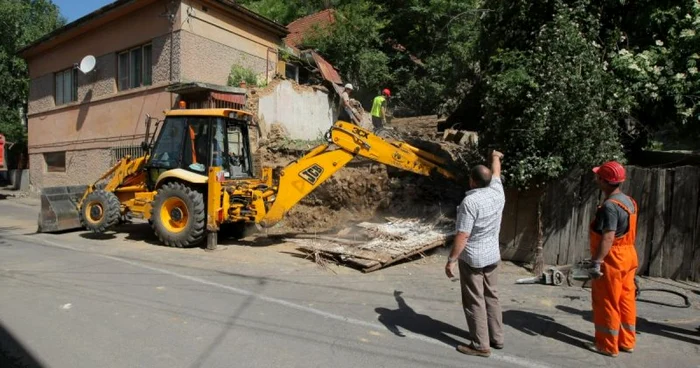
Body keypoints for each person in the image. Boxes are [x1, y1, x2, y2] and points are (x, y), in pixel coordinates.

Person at [445, 149, 506, 358]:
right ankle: (497, 338)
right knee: (492, 296)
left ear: (472, 181)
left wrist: (451, 260)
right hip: (492, 255)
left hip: (473, 258)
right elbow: (496, 174)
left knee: (474, 301)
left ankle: (481, 345)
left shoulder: (469, 203)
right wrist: (496, 157)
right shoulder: (497, 191)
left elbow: (463, 235)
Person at [586, 161, 638, 358]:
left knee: (607, 301)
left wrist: (597, 261)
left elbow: (608, 237)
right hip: (629, 256)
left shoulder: (609, 207)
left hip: (613, 259)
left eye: (598, 176)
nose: (596, 178)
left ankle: (607, 345)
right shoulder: (630, 201)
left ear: (603, 181)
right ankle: (626, 341)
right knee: (626, 299)